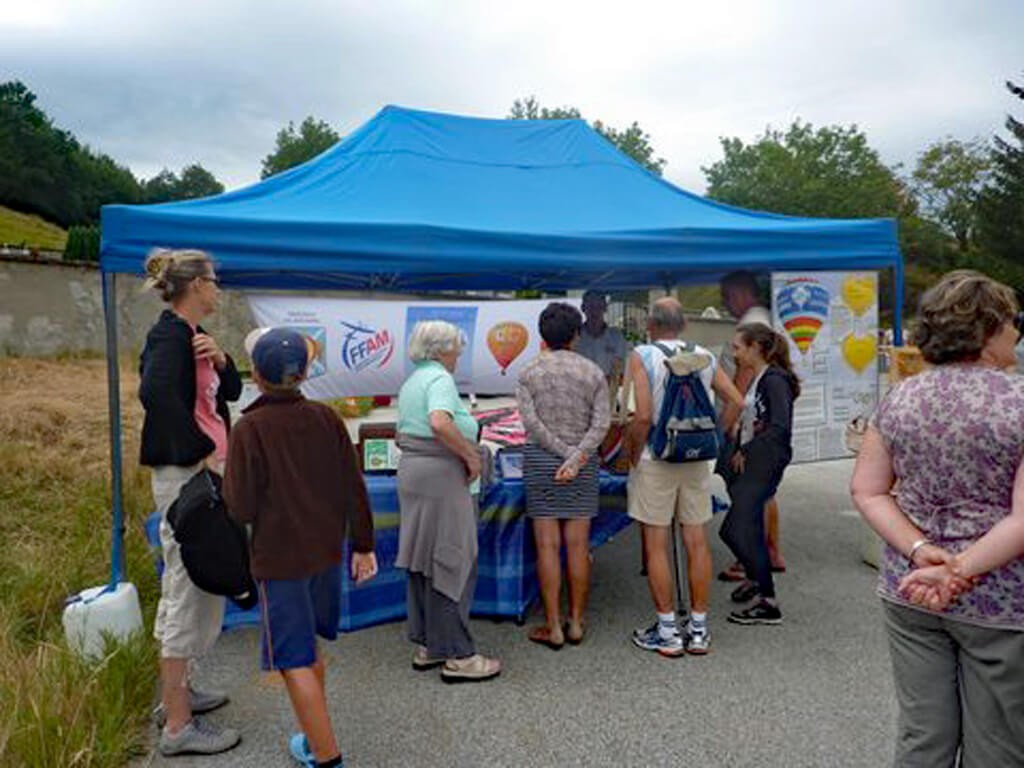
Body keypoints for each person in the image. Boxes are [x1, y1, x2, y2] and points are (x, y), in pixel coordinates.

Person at [851, 270, 1024, 767]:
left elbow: (868, 490)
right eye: (1012, 321)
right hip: (1001, 600)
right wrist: (960, 570)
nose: (1017, 331)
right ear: (987, 329)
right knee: (999, 746)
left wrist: (920, 551)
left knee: (922, 738)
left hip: (910, 589)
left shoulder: (900, 398)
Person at [223, 327, 377, 768]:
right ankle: (313, 738)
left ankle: (327, 758)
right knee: (308, 648)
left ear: (255, 374)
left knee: (292, 658)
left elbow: (241, 506)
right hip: (326, 553)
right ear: (305, 372)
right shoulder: (327, 418)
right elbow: (354, 487)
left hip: (281, 559)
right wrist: (363, 544)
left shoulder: (250, 428)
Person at [138, 248, 242, 756]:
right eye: (214, 280)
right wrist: (200, 453)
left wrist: (223, 359)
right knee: (186, 589)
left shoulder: (192, 338)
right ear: (196, 285)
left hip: (198, 471)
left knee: (196, 586)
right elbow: (156, 396)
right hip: (186, 475)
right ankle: (177, 726)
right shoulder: (168, 336)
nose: (218, 288)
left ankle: (181, 695)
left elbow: (229, 392)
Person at [625, 297, 743, 656]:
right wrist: (716, 438)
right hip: (696, 457)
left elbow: (642, 416)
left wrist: (633, 455)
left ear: (650, 324)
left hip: (656, 458)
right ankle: (698, 628)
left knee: (656, 543)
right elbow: (736, 400)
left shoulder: (642, 356)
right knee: (696, 540)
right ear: (683, 325)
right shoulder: (704, 355)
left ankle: (667, 631)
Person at [395, 320, 501, 682]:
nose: (459, 354)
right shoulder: (440, 379)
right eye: (456, 347)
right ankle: (459, 655)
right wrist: (471, 457)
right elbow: (439, 422)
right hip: (443, 478)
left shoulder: (414, 380)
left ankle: (430, 645)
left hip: (417, 474)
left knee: (425, 561)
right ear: (442, 350)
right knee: (451, 560)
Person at [517, 302, 611, 648]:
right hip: (583, 465)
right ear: (576, 334)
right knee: (577, 545)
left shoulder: (527, 373)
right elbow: (602, 423)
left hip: (542, 462)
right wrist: (576, 456)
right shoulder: (593, 372)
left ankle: (553, 625)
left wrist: (561, 453)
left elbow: (532, 425)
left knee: (546, 545)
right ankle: (576, 622)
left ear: (542, 335)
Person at [719, 323, 799, 626]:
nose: (735, 353)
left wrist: (746, 451)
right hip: (757, 461)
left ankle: (767, 599)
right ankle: (757, 580)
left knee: (736, 529)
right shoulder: (761, 378)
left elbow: (779, 426)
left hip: (764, 463)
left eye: (739, 347)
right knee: (745, 528)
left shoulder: (774, 381)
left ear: (755, 348)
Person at [717, 270, 787, 580]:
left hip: (749, 424)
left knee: (747, 493)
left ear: (741, 293)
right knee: (764, 492)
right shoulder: (764, 317)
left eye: (727, 296)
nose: (725, 303)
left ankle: (751, 556)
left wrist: (726, 425)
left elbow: (742, 380)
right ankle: (769, 550)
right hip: (760, 423)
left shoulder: (751, 325)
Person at [575, 289, 631, 383]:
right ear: (583, 308)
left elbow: (619, 371)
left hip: (609, 391)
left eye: (599, 306)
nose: (595, 311)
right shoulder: (575, 336)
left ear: (605, 308)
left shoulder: (617, 338)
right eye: (591, 306)